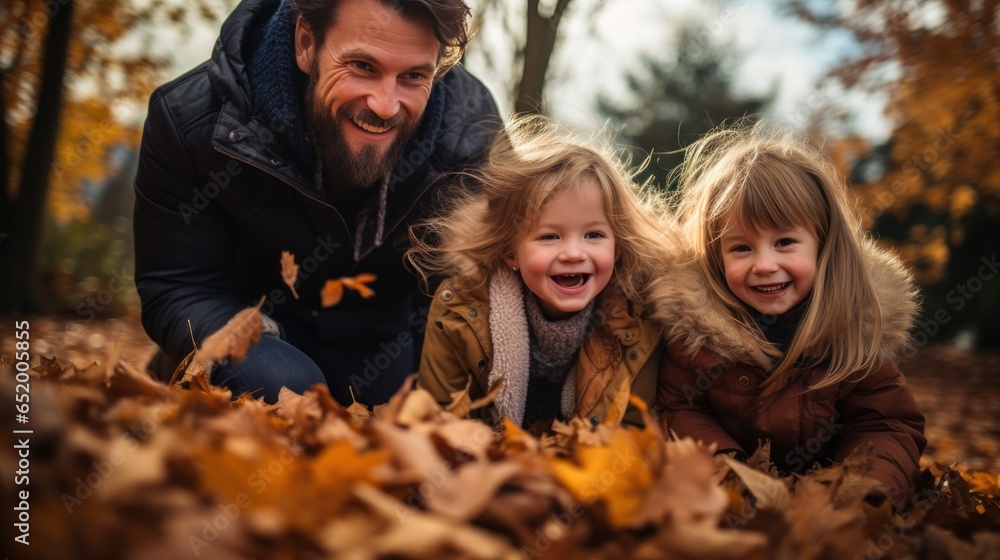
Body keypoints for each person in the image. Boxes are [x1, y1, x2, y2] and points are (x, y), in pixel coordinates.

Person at [133, 0, 501, 405]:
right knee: (282, 383)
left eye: (413, 76)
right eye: (363, 66)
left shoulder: (471, 131)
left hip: (382, 344)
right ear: (306, 42)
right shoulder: (193, 122)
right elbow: (178, 285)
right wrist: (252, 355)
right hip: (246, 325)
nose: (385, 105)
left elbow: (484, 284)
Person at [651, 122, 926, 495]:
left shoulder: (856, 328)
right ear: (715, 258)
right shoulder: (696, 334)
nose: (764, 264)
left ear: (823, 245)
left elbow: (885, 424)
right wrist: (727, 473)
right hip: (728, 493)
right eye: (741, 248)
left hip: (825, 495)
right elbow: (678, 410)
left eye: (784, 242)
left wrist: (862, 489)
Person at [407, 116, 668, 431]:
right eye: (549, 236)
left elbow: (632, 428)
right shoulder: (459, 310)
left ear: (618, 245)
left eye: (594, 235)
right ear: (510, 252)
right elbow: (440, 422)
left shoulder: (637, 320)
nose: (574, 253)